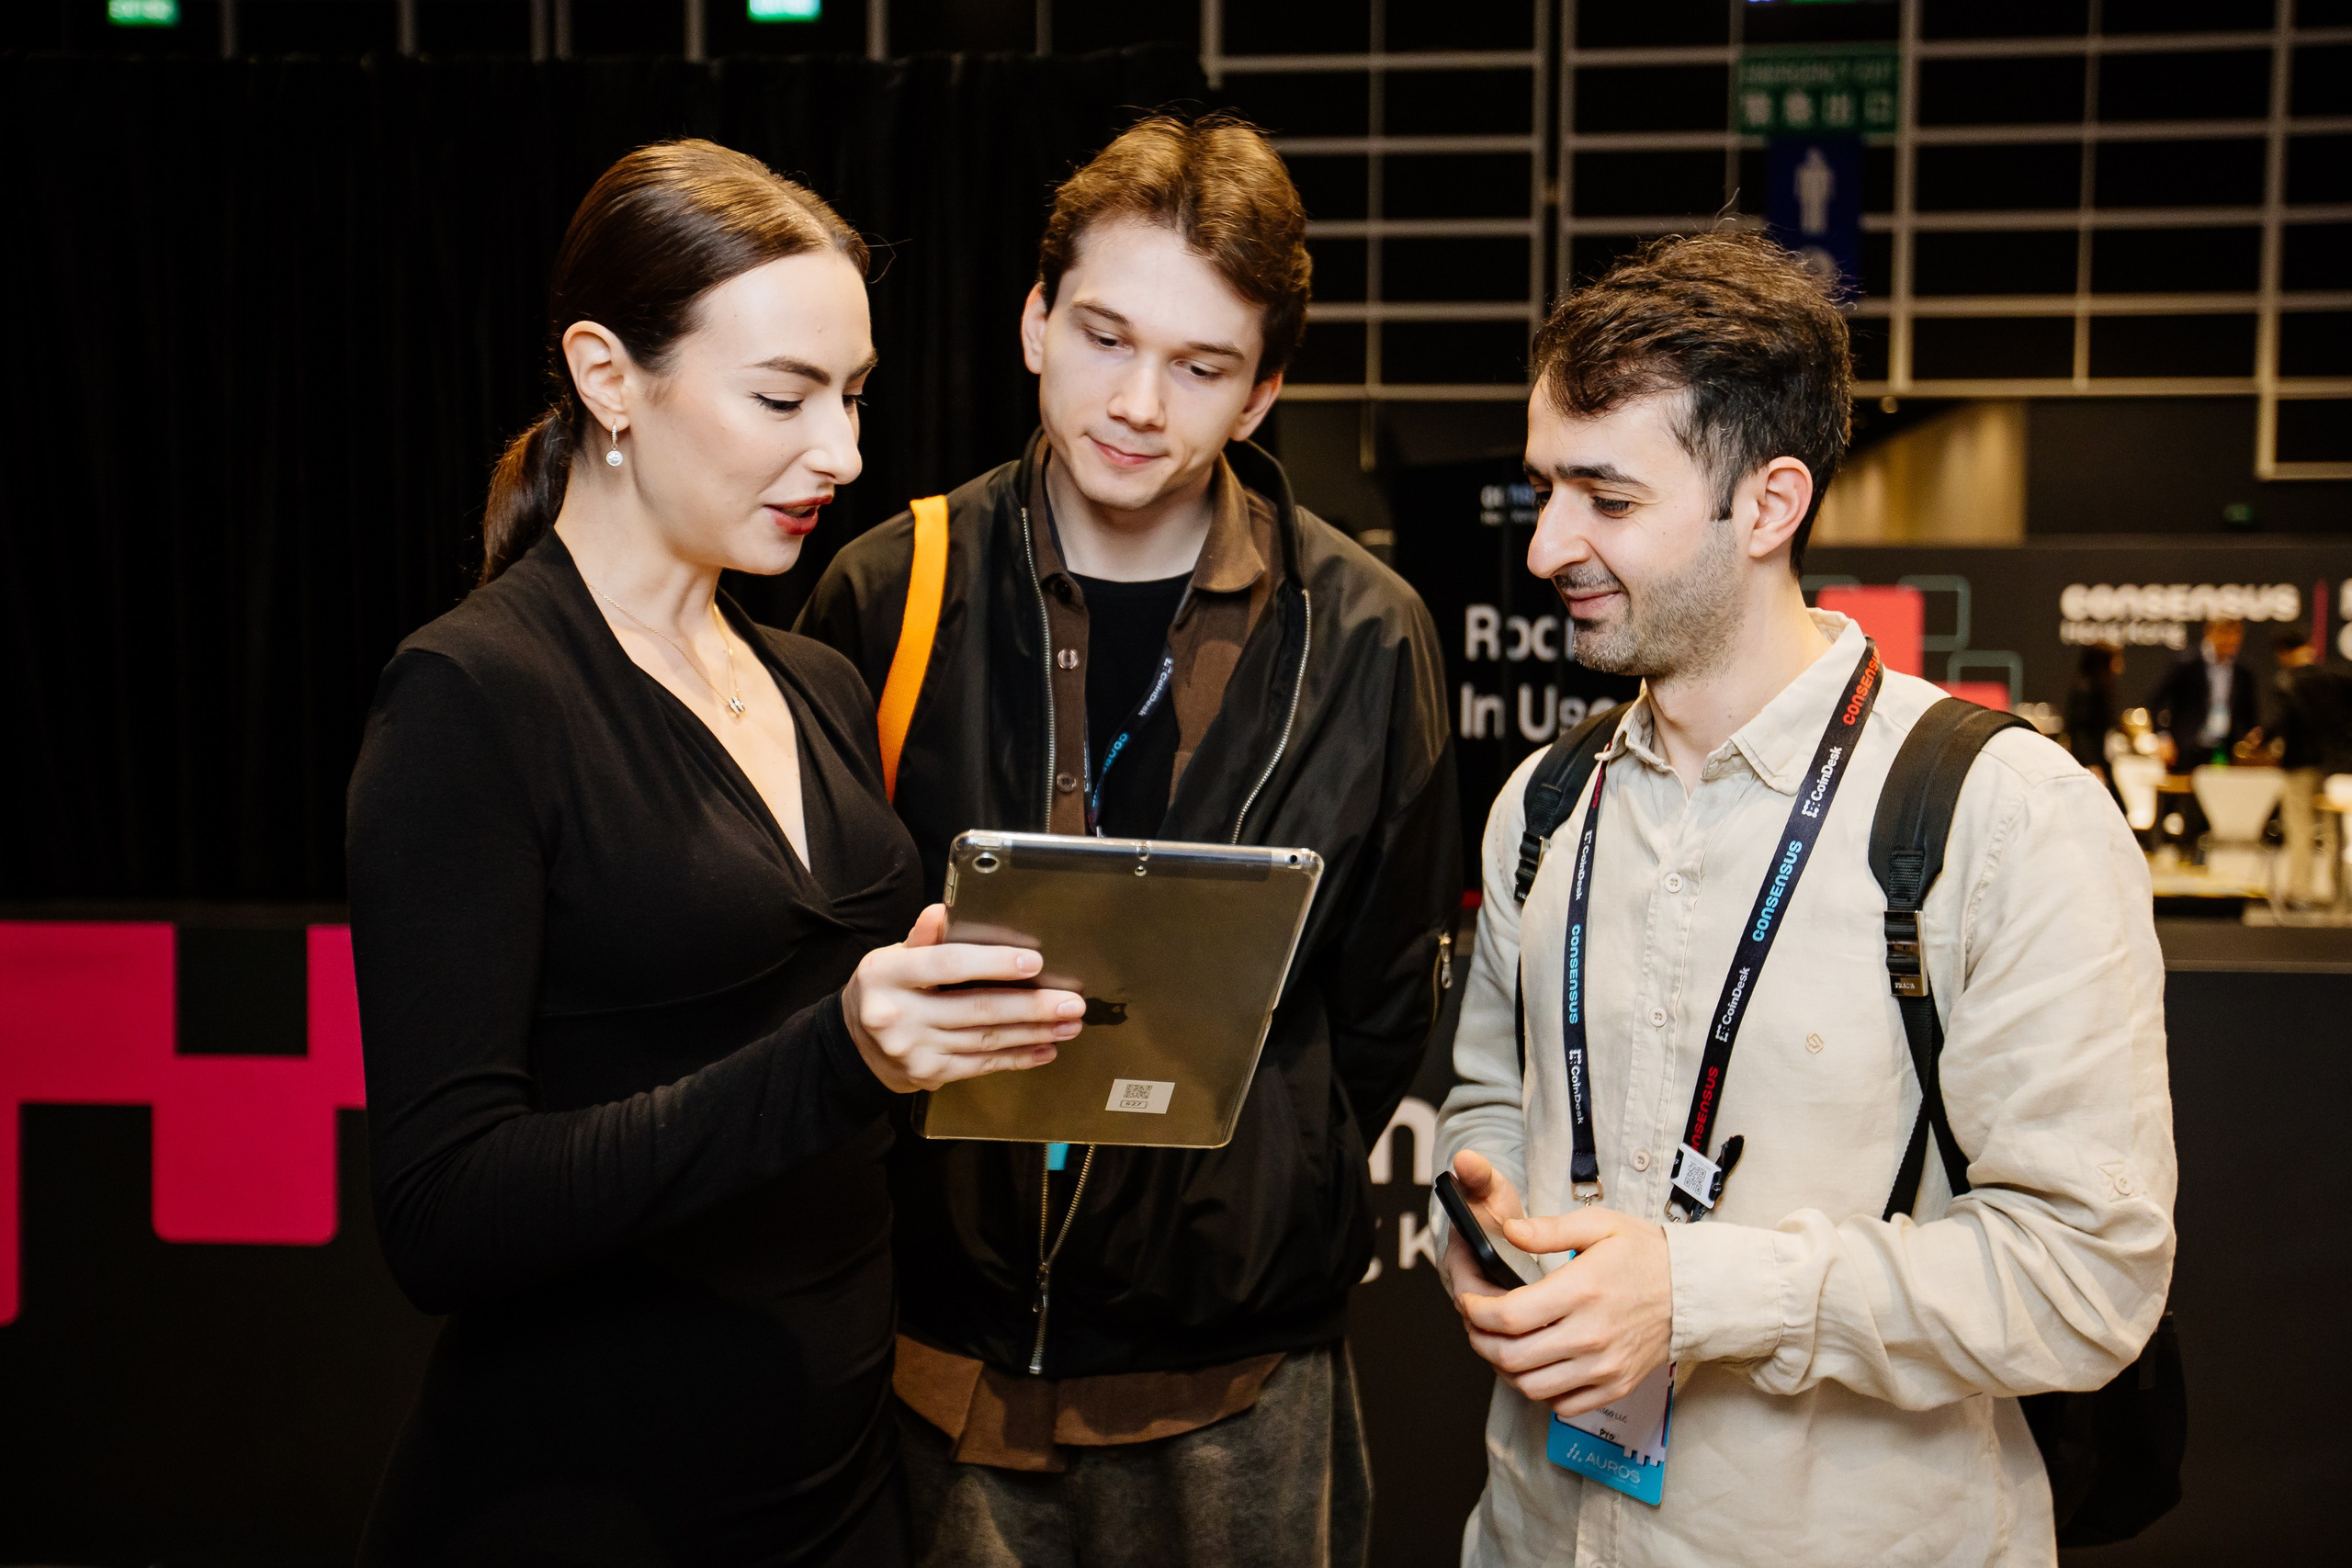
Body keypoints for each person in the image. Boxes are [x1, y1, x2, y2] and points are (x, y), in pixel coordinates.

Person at [346, 141, 1086, 1567]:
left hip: (834, 1495)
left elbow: (828, 1075)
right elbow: (443, 1215)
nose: (844, 453)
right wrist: (840, 1055)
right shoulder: (474, 698)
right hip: (585, 1507)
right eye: (783, 396)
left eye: (854, 394)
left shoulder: (810, 676)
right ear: (608, 375)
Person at [1433, 232, 2176, 1567]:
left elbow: (2087, 1273)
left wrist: (1699, 1292)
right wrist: (1487, 1220)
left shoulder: (2000, 818)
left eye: (1606, 496)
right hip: (1540, 1531)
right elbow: (1496, 1095)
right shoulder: (1544, 805)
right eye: (1544, 487)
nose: (1547, 544)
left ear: (1769, 505)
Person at [796, 114, 1458, 1568]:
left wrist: (1248, 1187)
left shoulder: (1363, 631)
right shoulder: (888, 588)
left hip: (1242, 1380)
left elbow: (1380, 1006)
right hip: (939, 1363)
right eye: (1104, 335)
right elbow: (822, 973)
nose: (1139, 401)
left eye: (1202, 365)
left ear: (1264, 391)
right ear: (1035, 322)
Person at [2270, 625, 2352, 906]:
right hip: (2335, 767)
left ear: (2282, 653)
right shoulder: (2336, 677)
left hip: (2299, 765)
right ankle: (2339, 892)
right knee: (2336, 832)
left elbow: (2283, 724)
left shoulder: (2289, 682)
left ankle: (2299, 892)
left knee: (2300, 830)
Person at [2149, 616, 2258, 766]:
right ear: (2209, 633)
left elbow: (2249, 715)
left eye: (2236, 634)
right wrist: (2162, 736)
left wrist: (2252, 737)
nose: (2230, 640)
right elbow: (2156, 698)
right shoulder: (2186, 664)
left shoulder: (2243, 672)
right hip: (2186, 749)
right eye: (2225, 633)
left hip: (2224, 750)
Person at [2063, 644, 2123, 782]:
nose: (2119, 664)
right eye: (2116, 659)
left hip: (2101, 758)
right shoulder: (2087, 689)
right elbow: (2079, 731)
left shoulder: (2102, 687)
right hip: (2091, 761)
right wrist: (2091, 763)